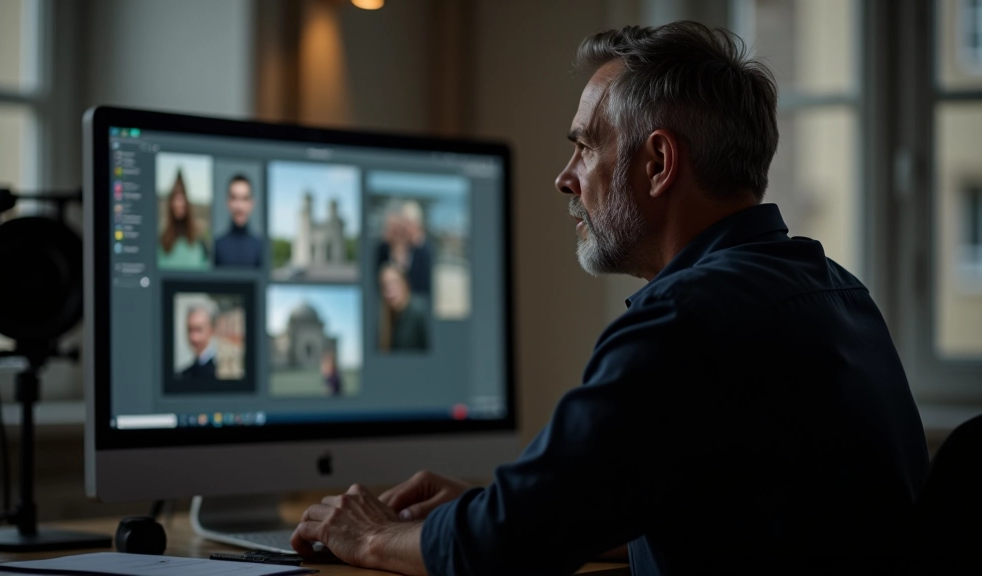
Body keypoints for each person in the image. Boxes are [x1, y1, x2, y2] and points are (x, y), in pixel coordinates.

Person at [290, 22, 929, 576]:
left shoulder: (684, 321)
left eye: (585, 145)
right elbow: (746, 522)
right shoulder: (838, 292)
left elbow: (503, 551)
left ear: (657, 163)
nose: (565, 177)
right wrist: (506, 508)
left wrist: (372, 533)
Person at [375, 201, 432, 296]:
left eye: (407, 224)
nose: (405, 228)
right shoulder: (383, 249)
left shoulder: (420, 249)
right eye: (390, 227)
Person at [158, 170, 209, 270]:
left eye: (181, 199)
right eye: (175, 200)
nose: (178, 204)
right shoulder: (162, 240)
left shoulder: (198, 241)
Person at [214, 174, 263, 267]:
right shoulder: (217, 246)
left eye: (244, 198)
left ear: (251, 203)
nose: (239, 206)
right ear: (228, 202)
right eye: (234, 198)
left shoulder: (260, 247)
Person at [378, 263, 429, 352]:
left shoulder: (420, 312)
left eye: (393, 282)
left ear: (405, 283)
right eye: (385, 285)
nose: (389, 289)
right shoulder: (388, 318)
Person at [178, 303, 217, 380]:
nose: (193, 337)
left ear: (212, 330)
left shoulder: (219, 371)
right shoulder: (185, 374)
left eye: (199, 330)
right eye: (190, 330)